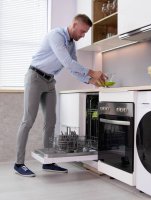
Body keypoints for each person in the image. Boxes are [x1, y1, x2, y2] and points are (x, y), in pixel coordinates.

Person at [14, 14, 107, 177]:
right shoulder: (55, 35)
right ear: (74, 24)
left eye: (85, 33)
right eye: (82, 31)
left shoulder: (71, 45)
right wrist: (93, 72)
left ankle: (48, 162)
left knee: (51, 122)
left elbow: (73, 69)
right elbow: (67, 62)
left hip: (50, 82)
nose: (83, 35)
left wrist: (91, 81)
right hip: (35, 77)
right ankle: (18, 163)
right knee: (28, 120)